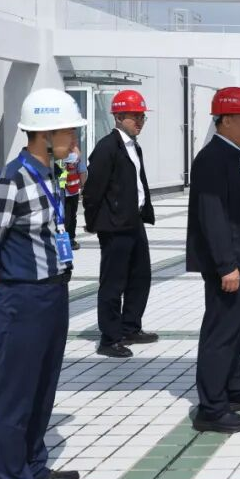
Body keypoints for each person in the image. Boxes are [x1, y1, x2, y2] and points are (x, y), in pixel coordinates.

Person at [0, 89, 86, 479]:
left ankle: (33, 466)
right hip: (21, 299)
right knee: (15, 395)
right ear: (45, 134)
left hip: (52, 295)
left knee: (42, 387)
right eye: (69, 131)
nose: (75, 139)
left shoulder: (50, 174)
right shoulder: (9, 181)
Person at [187, 87, 240, 434]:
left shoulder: (234, 155)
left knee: (238, 332)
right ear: (225, 121)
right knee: (221, 334)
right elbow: (213, 217)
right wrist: (226, 265)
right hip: (231, 266)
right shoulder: (213, 159)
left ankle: (233, 388)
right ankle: (212, 407)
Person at [83, 89, 157, 358]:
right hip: (114, 225)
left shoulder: (133, 146)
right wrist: (95, 223)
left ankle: (130, 327)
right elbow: (93, 191)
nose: (139, 121)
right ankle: (110, 338)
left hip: (134, 221)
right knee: (113, 283)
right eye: (134, 116)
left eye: (142, 117)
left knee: (141, 276)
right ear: (118, 116)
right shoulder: (106, 148)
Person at [58, 140, 87, 250]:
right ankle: (68, 240)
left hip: (64, 191)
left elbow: (82, 171)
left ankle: (66, 240)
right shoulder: (75, 156)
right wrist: (83, 187)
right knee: (69, 216)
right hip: (69, 191)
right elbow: (82, 171)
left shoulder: (61, 155)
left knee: (65, 216)